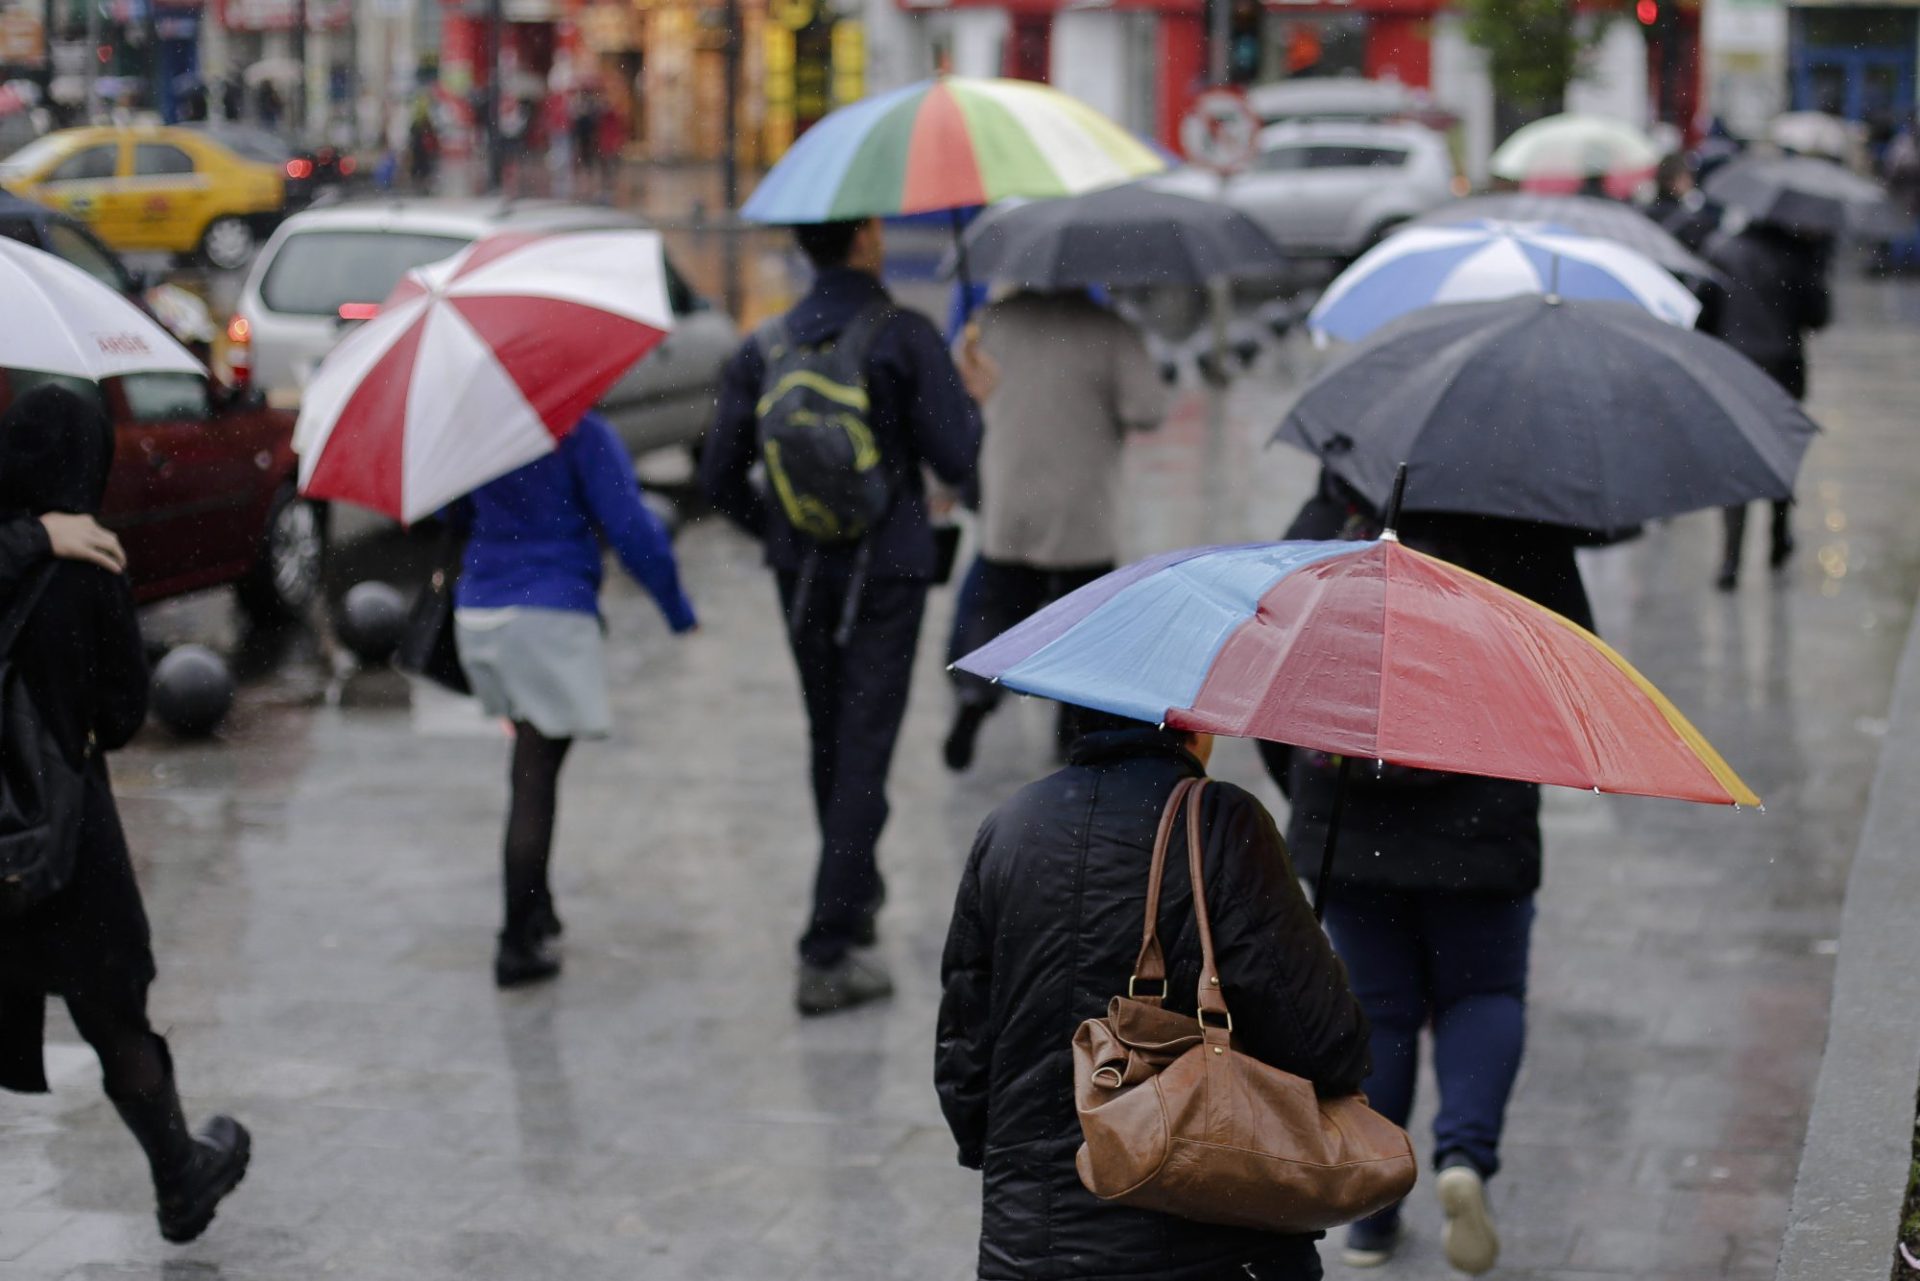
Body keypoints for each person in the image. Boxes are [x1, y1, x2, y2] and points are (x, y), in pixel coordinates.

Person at [1256, 476, 1592, 1275]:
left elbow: (1273, 668)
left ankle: (1373, 1212)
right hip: (1483, 816)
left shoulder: (1335, 513)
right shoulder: (1517, 521)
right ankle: (1464, 1158)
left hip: (1353, 816)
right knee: (1483, 993)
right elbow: (1573, 667)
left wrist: (1307, 789)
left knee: (1382, 1008)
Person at [937, 711, 1373, 1280]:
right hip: (1207, 1237)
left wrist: (1017, 1168)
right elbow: (1326, 1046)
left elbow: (965, 1047)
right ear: (1194, 723)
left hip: (1029, 1243)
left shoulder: (1011, 823)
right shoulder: (1221, 821)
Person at [702, 215, 990, 1015]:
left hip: (800, 576)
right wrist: (973, 400)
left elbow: (718, 476)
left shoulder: (763, 346)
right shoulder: (905, 335)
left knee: (829, 734)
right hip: (888, 569)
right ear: (864, 239)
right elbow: (958, 461)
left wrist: (785, 534)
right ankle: (825, 951)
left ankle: (852, 893)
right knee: (865, 746)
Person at [0, 386, 251, 1244]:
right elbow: (123, 709)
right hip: (66, 835)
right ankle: (180, 1178)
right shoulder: (89, 563)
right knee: (115, 1019)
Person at [455, 411, 697, 988]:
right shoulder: (580, 432)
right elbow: (631, 527)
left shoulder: (481, 426)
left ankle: (537, 907)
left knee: (533, 768)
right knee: (535, 777)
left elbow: (451, 512)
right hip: (546, 615)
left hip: (482, 612)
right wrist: (677, 608)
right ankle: (516, 942)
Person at [943, 287, 1168, 770]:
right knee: (1080, 635)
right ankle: (1071, 739)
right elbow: (1148, 410)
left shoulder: (993, 321)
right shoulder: (1110, 328)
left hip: (1009, 505)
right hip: (1081, 513)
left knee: (998, 610)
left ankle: (973, 697)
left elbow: (962, 391)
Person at [1699, 215, 1831, 589]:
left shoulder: (1721, 252)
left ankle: (1730, 559)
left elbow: (1704, 315)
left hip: (1735, 369)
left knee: (1736, 461)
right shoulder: (1797, 257)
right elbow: (1819, 317)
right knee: (1778, 456)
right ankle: (1778, 536)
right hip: (1783, 371)